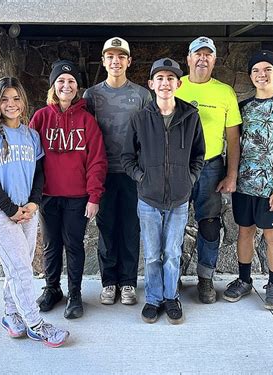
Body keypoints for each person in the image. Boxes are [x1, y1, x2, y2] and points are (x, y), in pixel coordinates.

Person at [0, 77, 70, 347]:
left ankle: (11, 313)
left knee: (18, 267)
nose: (11, 104)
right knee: (20, 268)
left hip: (27, 210)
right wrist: (10, 209)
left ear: (23, 102)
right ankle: (36, 324)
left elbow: (39, 172)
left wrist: (33, 203)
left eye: (16, 98)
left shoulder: (31, 135)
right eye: (5, 99)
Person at [122, 58, 205, 324]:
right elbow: (127, 156)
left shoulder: (190, 117)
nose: (165, 83)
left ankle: (171, 297)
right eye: (159, 78)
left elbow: (199, 155)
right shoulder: (139, 118)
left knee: (172, 252)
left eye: (170, 78)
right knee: (152, 253)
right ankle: (153, 299)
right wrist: (141, 177)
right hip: (148, 198)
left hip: (179, 199)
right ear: (151, 84)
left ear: (178, 84)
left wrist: (189, 178)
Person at [223, 51, 273, 310]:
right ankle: (244, 281)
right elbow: (234, 144)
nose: (262, 74)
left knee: (272, 236)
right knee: (244, 232)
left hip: (271, 188)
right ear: (250, 75)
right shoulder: (243, 107)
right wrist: (231, 177)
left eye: (268, 69)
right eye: (256, 70)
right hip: (244, 185)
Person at [30, 60, 107, 319]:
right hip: (48, 196)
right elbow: (31, 158)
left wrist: (94, 195)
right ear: (54, 85)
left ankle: (75, 294)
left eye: (71, 81)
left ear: (77, 88)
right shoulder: (41, 117)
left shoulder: (87, 121)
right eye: (61, 81)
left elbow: (97, 160)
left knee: (74, 245)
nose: (66, 85)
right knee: (51, 246)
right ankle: (53, 289)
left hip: (77, 197)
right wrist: (32, 194)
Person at [83, 37, 152, 305]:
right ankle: (109, 281)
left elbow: (148, 135)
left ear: (129, 61)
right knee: (107, 228)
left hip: (132, 174)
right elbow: (86, 135)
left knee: (130, 228)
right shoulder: (92, 95)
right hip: (103, 174)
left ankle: (128, 283)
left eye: (121, 56)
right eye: (110, 56)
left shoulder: (142, 95)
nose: (116, 61)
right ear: (103, 61)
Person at [175, 36, 242, 304]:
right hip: (178, 166)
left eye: (208, 54)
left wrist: (232, 174)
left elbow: (234, 138)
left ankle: (205, 278)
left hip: (212, 166)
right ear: (189, 59)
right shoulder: (175, 87)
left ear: (214, 60)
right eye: (197, 54)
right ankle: (173, 276)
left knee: (210, 225)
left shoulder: (225, 92)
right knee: (174, 223)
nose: (202, 58)